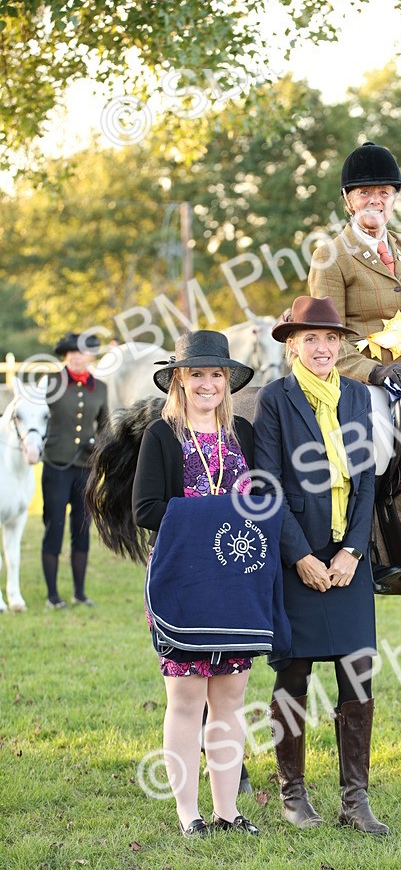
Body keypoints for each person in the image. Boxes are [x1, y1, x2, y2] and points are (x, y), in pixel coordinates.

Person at [253, 295, 388, 836]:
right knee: (294, 676)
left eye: (331, 339)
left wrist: (353, 550)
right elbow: (266, 486)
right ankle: (293, 795)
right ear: (291, 345)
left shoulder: (357, 397)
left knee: (359, 674)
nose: (323, 348)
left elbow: (367, 479)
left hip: (348, 561)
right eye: (311, 338)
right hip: (297, 559)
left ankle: (356, 800)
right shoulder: (274, 400)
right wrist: (301, 556)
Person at [131, 330, 261, 839]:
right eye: (196, 374)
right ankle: (190, 814)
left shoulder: (243, 435)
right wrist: (209, 516)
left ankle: (228, 810)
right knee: (186, 698)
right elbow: (146, 509)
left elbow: (261, 500)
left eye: (215, 374)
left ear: (227, 381)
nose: (207, 383)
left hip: (235, 582)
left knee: (229, 698)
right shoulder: (161, 436)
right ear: (179, 381)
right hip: (182, 582)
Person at [307, 141, 401, 388]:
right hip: (365, 386)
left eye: (383, 193)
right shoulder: (330, 257)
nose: (375, 201)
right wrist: (375, 372)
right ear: (348, 199)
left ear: (395, 197)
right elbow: (328, 338)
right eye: (364, 193)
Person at [41, 332, 109, 609]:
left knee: (81, 528)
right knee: (54, 526)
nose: (77, 358)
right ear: (66, 356)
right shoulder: (52, 383)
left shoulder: (101, 387)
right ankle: (52, 595)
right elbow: (38, 416)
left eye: (82, 353)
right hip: (56, 464)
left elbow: (104, 427)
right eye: (72, 354)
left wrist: (98, 445)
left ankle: (79, 593)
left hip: (85, 468)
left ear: (90, 356)